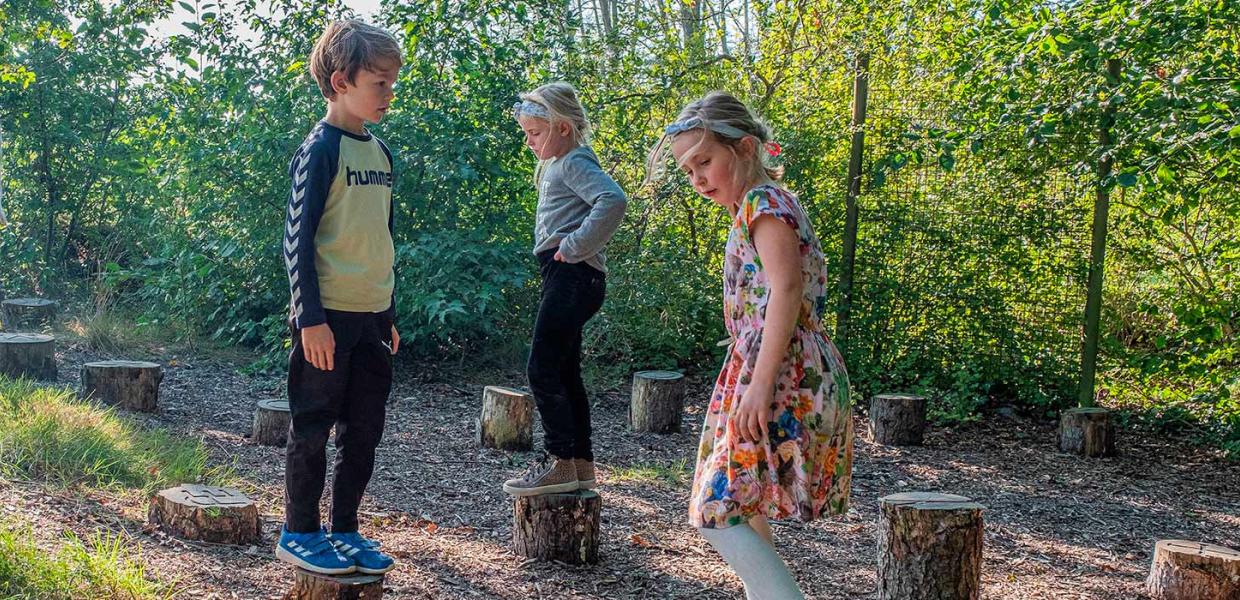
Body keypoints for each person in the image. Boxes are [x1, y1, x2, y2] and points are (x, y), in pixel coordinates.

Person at [648, 91, 854, 599]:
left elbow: (786, 288)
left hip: (783, 374)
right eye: (688, 169)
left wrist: (759, 388)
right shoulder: (757, 206)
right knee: (741, 506)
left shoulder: (764, 203)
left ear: (743, 148)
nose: (697, 178)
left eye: (705, 162)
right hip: (767, 367)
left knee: (717, 510)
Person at [275, 19, 402, 576]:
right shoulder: (319, 150)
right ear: (340, 79)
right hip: (325, 322)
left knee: (364, 432)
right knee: (312, 428)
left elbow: (382, 237)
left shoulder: (381, 154)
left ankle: (345, 527)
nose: (389, 94)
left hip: (372, 321)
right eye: (379, 83)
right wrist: (310, 320)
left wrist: (389, 314)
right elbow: (295, 241)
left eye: (392, 83)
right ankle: (299, 530)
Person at [502, 82, 627, 497]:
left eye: (535, 133)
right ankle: (579, 465)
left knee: (542, 368)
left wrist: (574, 246)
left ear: (563, 128)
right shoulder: (559, 163)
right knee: (565, 372)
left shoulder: (573, 161)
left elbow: (613, 200)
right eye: (526, 133)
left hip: (574, 275)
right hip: (567, 277)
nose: (529, 141)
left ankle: (558, 459)